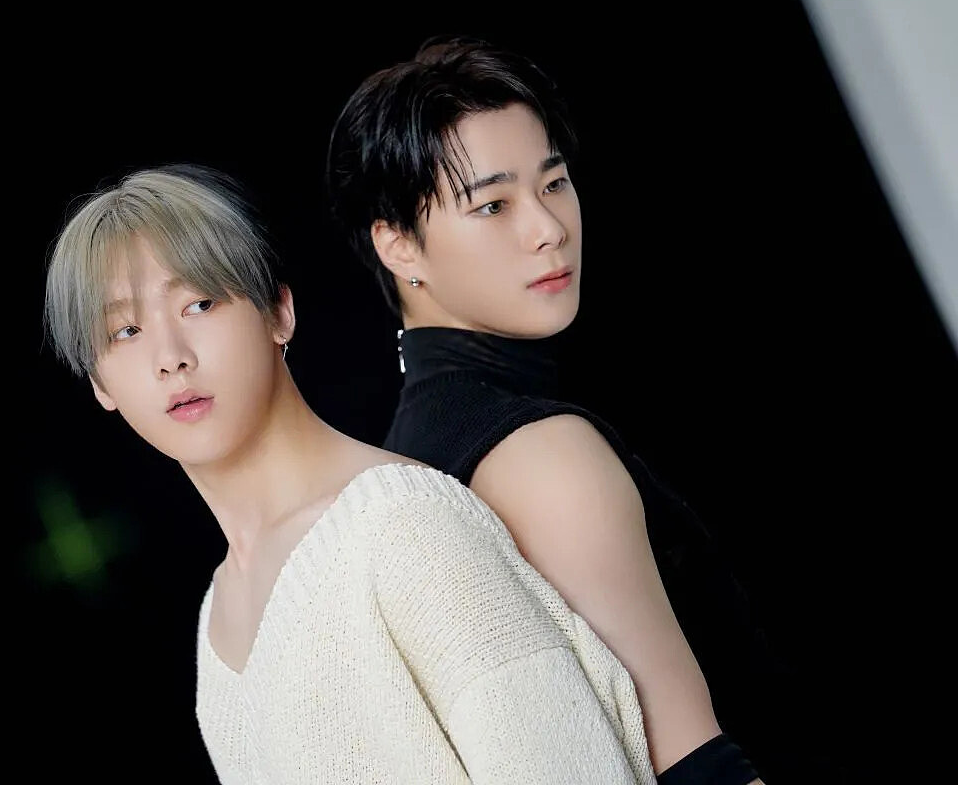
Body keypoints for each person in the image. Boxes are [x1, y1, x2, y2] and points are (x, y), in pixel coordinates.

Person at [43, 163, 657, 783]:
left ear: (279, 312)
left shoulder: (404, 525)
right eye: (126, 331)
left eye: (200, 303)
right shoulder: (218, 620)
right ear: (100, 384)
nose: (171, 358)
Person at [325, 36, 784, 784]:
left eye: (555, 182)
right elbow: (696, 766)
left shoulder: (412, 454)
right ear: (399, 244)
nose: (549, 228)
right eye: (493, 204)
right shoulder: (538, 453)